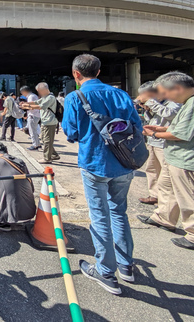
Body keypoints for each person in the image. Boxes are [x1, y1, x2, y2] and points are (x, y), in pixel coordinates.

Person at [62, 54, 142, 295]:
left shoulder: (74, 97)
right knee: (119, 212)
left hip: (94, 163)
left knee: (99, 215)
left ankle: (105, 272)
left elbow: (71, 132)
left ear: (76, 74)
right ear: (98, 72)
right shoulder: (120, 94)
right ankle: (126, 266)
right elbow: (136, 126)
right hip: (124, 163)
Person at [139, 72, 194, 251]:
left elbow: (181, 134)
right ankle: (164, 217)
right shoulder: (191, 102)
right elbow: (184, 127)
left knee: (192, 198)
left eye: (165, 94)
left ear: (177, 88)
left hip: (188, 159)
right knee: (167, 187)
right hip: (177, 157)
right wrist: (161, 128)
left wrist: (155, 133)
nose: (165, 98)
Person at [135, 81, 180, 205]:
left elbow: (170, 115)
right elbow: (152, 120)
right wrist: (147, 108)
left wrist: (150, 102)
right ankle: (154, 195)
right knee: (152, 170)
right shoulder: (156, 105)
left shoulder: (172, 102)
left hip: (166, 143)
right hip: (152, 141)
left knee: (166, 176)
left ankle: (167, 202)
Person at [21, 83, 59, 164]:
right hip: (45, 121)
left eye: (39, 91)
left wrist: (27, 107)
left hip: (50, 122)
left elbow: (40, 106)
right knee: (44, 139)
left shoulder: (50, 97)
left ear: (43, 90)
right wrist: (26, 104)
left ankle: (47, 158)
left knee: (47, 140)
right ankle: (54, 155)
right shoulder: (45, 97)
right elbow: (36, 102)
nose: (39, 93)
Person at [20, 86, 41, 150]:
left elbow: (32, 107)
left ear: (24, 91)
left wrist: (24, 107)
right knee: (33, 130)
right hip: (35, 115)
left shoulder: (31, 97)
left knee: (32, 131)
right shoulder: (33, 96)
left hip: (33, 115)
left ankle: (35, 145)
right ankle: (38, 144)